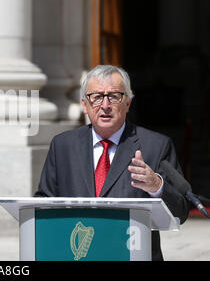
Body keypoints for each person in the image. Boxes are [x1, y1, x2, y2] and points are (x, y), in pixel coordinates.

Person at [34, 65, 189, 261]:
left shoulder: (156, 146)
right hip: (76, 255)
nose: (105, 105)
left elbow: (180, 213)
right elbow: (43, 202)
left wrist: (157, 186)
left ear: (128, 104)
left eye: (114, 96)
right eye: (96, 97)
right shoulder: (63, 145)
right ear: (84, 104)